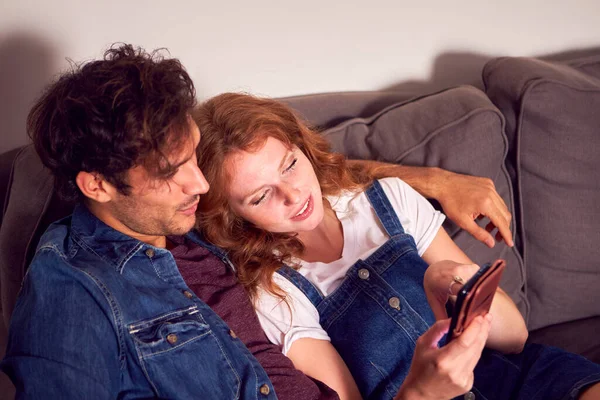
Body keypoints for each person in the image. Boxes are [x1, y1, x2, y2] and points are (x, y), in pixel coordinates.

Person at [0, 44, 517, 399]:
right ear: (98, 185)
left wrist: (431, 179)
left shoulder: (183, 217)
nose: (198, 186)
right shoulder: (69, 290)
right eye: (170, 174)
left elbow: (291, 174)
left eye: (194, 158)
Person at [193, 92, 600, 400]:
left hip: (520, 379)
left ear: (302, 145)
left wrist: (457, 279)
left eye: (290, 165)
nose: (292, 194)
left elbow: (515, 338)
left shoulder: (387, 200)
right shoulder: (273, 293)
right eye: (260, 196)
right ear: (233, 214)